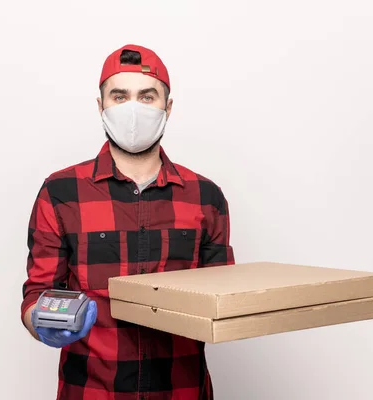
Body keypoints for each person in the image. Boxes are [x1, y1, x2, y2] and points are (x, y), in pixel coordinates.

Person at [20, 44, 235, 400]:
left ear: (168, 107)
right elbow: (36, 293)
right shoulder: (60, 192)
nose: (133, 109)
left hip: (181, 391)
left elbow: (223, 301)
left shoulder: (206, 197)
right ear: (101, 107)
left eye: (146, 96)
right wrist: (41, 322)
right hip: (90, 391)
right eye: (119, 96)